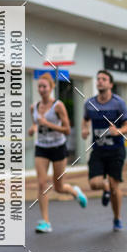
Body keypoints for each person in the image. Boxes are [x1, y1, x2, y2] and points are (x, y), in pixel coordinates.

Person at [28, 72, 87, 233]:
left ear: (51, 88)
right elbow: (35, 125)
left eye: (44, 86)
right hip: (42, 148)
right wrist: (33, 129)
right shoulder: (34, 107)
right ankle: (45, 221)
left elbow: (67, 130)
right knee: (41, 184)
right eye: (39, 86)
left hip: (58, 147)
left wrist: (47, 123)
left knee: (58, 187)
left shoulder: (58, 106)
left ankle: (75, 191)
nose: (41, 89)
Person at [81, 70, 127, 230]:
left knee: (115, 187)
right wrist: (84, 129)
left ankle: (117, 218)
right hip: (98, 150)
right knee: (94, 184)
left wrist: (119, 131)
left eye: (104, 79)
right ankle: (105, 188)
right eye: (98, 79)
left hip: (116, 150)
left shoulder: (118, 103)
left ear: (110, 84)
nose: (100, 81)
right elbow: (85, 120)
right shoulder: (90, 104)